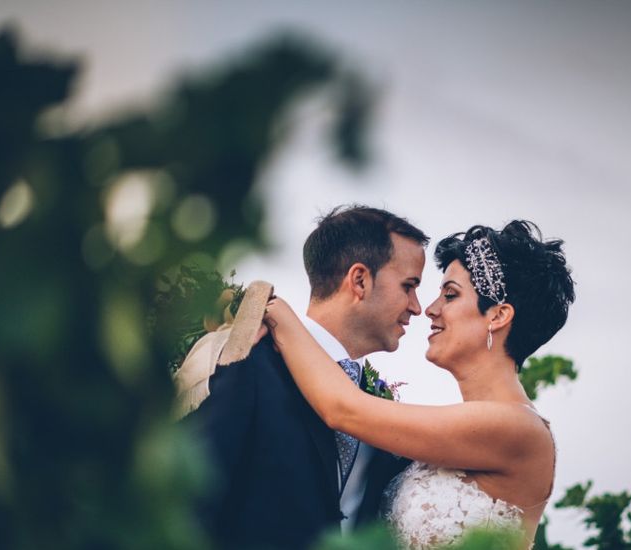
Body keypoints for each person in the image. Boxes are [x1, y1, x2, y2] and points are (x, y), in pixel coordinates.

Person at [263, 220, 576, 549]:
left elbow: (343, 409)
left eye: (450, 295)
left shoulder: (519, 428)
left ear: (497, 316)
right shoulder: (452, 434)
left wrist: (274, 310)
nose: (429, 309)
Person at [182, 205, 429, 550]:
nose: (417, 306)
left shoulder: (376, 412)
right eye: (409, 286)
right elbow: (189, 503)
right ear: (359, 280)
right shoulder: (248, 362)